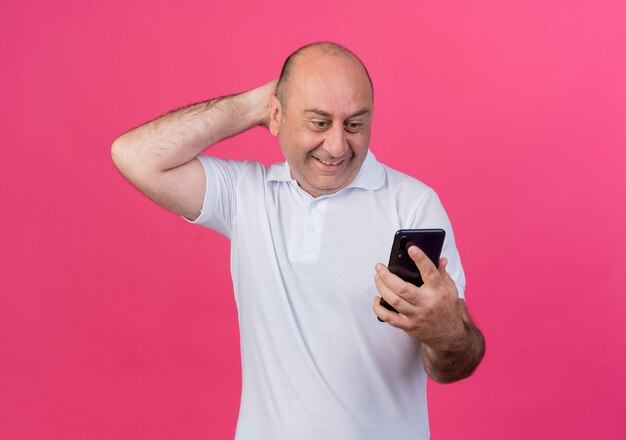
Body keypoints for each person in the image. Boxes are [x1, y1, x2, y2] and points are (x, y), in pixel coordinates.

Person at [111, 41, 485, 440]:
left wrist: (444, 333)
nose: (338, 146)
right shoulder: (246, 195)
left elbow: (456, 363)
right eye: (319, 123)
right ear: (277, 116)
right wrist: (254, 104)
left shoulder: (412, 205)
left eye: (355, 124)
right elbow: (135, 155)